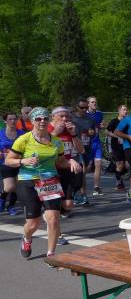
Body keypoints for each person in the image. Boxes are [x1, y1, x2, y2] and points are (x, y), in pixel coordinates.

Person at [6, 107, 82, 259]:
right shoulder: (24, 139)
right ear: (32, 121)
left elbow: (60, 162)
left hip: (49, 181)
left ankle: (51, 255)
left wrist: (71, 161)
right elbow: (9, 160)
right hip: (28, 180)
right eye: (38, 119)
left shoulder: (56, 142)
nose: (42, 121)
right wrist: (23, 161)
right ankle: (27, 238)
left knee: (53, 218)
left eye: (45, 118)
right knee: (33, 223)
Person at [49, 107, 85, 228]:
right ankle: (54, 226)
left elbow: (81, 150)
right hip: (50, 170)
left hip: (66, 168)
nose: (65, 119)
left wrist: (73, 134)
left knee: (68, 205)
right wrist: (55, 133)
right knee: (53, 206)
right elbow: (41, 147)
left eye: (67, 116)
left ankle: (58, 213)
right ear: (53, 117)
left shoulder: (71, 129)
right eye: (61, 116)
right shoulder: (46, 128)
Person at [71, 98, 96, 206]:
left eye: (86, 107)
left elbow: (94, 133)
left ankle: (78, 194)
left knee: (82, 173)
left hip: (86, 147)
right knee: (83, 170)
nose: (84, 110)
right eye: (82, 107)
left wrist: (92, 132)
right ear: (77, 107)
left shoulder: (90, 119)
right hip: (75, 148)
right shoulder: (71, 118)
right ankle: (81, 195)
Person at [0, 111, 25, 215]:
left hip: (19, 162)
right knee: (9, 187)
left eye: (15, 119)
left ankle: (11, 207)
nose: (13, 121)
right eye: (10, 119)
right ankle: (2, 198)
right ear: (5, 121)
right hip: (5, 163)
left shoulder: (22, 134)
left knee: (16, 187)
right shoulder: (0, 133)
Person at [106, 104, 128, 192]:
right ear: (119, 111)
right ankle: (119, 182)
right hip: (116, 146)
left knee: (127, 164)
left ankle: (121, 175)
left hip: (126, 145)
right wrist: (115, 136)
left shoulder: (128, 121)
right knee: (120, 164)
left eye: (126, 110)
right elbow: (106, 131)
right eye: (124, 110)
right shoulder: (114, 121)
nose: (126, 111)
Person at [86, 96, 105, 196]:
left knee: (98, 164)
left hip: (97, 142)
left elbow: (99, 127)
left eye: (95, 102)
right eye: (92, 102)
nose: (94, 104)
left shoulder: (100, 114)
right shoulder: (84, 114)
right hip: (87, 143)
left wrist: (101, 127)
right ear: (88, 104)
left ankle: (96, 187)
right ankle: (78, 188)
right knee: (87, 167)